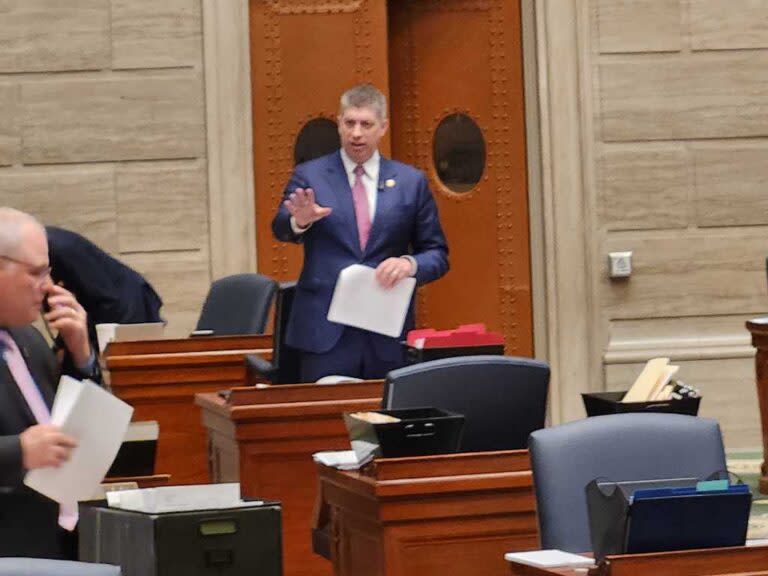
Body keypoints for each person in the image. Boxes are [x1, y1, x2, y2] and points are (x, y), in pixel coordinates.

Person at [272, 84, 449, 381]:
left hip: (385, 333)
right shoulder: (311, 175)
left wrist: (409, 264)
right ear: (339, 123)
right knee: (325, 422)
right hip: (325, 332)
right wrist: (299, 222)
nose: (356, 133)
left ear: (382, 128)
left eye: (366, 124)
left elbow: (437, 254)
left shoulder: (410, 182)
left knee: (384, 422)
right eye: (349, 123)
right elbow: (279, 227)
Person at [0, 208, 100, 559]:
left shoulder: (27, 338)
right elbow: (29, 447)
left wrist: (81, 355)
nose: (48, 286)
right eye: (36, 272)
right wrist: (19, 451)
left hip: (62, 540)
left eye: (49, 272)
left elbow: (73, 427)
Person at [46, 226, 163, 334]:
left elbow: (100, 295)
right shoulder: (48, 244)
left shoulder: (54, 248)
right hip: (110, 300)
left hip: (122, 306)